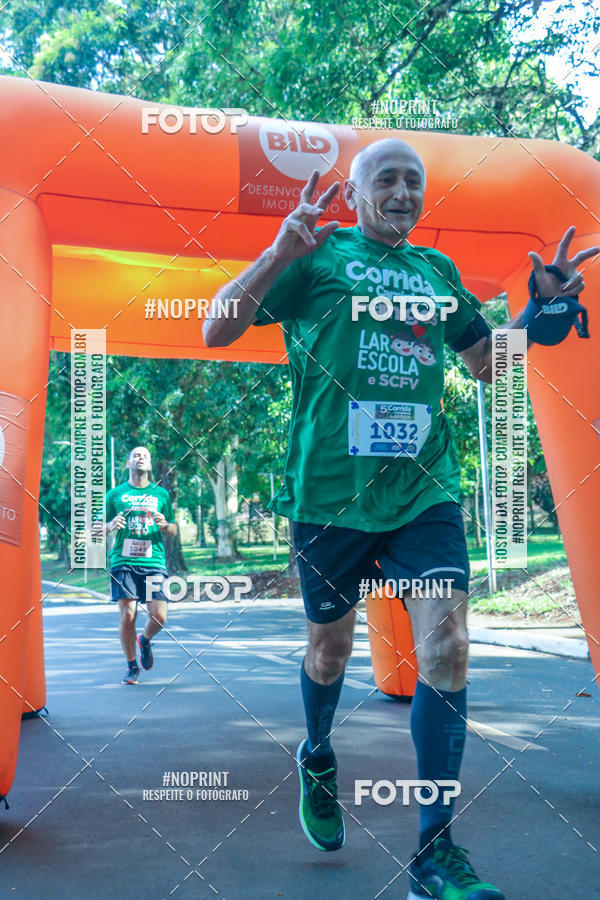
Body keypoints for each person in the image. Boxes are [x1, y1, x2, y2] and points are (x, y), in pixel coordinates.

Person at [203, 138, 597, 899]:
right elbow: (217, 328)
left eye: (414, 182)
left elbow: (489, 364)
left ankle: (434, 852)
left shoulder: (436, 272)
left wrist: (538, 312)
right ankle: (317, 751)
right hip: (330, 497)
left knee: (448, 642)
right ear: (355, 192)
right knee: (329, 652)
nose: (403, 191)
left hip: (425, 489)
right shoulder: (316, 257)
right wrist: (278, 250)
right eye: (385, 178)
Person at [102, 446, 177, 684]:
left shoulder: (161, 495)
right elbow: (99, 528)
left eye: (145, 455)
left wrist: (165, 524)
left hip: (153, 560)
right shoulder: (115, 494)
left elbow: (173, 530)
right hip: (123, 561)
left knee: (159, 616)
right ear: (128, 464)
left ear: (150, 465)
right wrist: (111, 524)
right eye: (136, 455)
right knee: (128, 614)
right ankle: (132, 666)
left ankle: (144, 640)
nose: (141, 458)